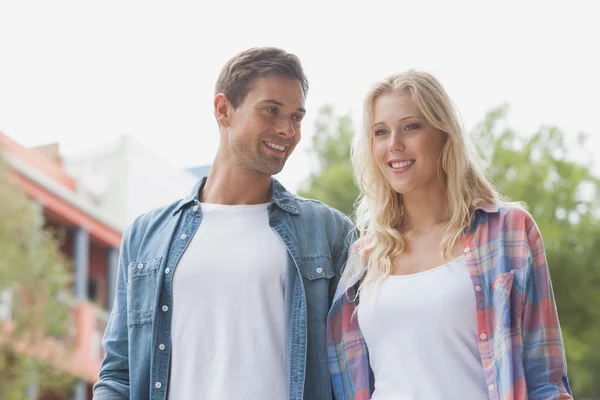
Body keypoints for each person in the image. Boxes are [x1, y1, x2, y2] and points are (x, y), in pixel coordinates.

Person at [93, 47, 355, 400]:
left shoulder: (328, 233)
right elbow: (118, 374)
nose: (287, 130)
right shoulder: (146, 236)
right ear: (223, 110)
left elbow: (354, 367)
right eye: (271, 110)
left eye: (296, 117)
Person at [327, 70, 572, 400]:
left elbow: (546, 379)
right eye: (381, 132)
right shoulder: (365, 256)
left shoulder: (508, 232)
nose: (394, 144)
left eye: (411, 127)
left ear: (444, 135)